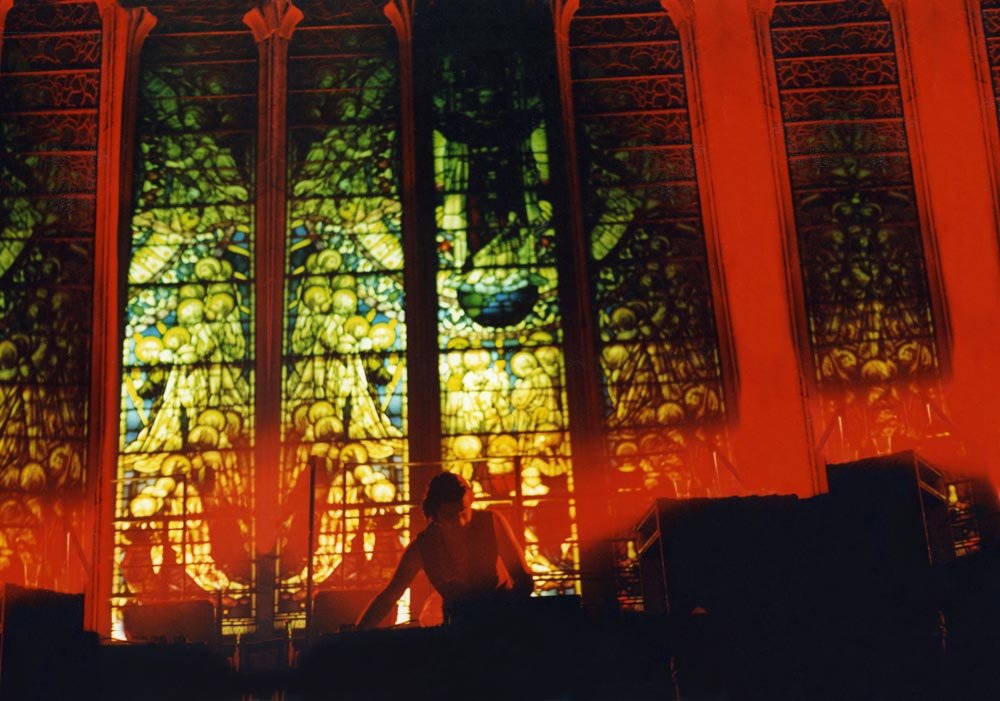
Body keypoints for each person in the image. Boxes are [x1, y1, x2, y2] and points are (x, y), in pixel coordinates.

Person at [357, 472, 533, 629]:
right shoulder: (423, 548)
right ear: (434, 515)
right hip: (457, 632)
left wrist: (508, 617)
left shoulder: (491, 522)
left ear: (471, 501)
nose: (460, 522)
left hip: (501, 625)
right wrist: (357, 635)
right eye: (450, 516)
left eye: (464, 512)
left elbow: (523, 579)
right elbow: (389, 597)